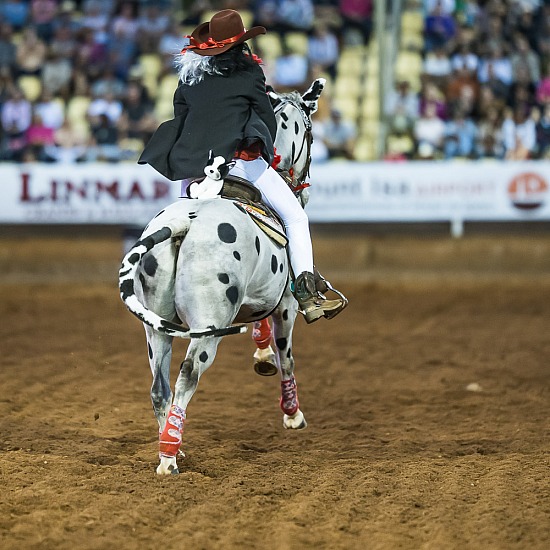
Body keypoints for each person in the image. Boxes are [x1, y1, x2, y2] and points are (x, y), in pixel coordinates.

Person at [138, 9, 344, 323]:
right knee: (296, 217)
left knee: (182, 213)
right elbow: (264, 117)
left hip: (194, 170)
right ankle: (306, 294)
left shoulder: (190, 79)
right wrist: (261, 146)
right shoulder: (250, 74)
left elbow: (181, 120)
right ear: (241, 44)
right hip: (239, 165)